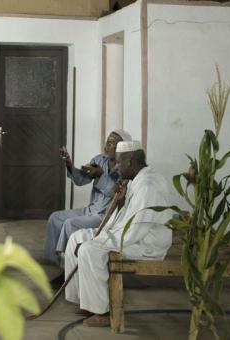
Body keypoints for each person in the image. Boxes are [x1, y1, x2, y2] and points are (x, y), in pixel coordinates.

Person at [64, 140, 172, 327]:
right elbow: (123, 217)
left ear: (130, 162)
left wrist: (100, 241)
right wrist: (119, 201)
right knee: (77, 238)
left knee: (89, 250)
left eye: (119, 163)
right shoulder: (135, 181)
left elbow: (134, 230)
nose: (116, 168)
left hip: (146, 245)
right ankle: (85, 300)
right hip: (130, 235)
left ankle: (102, 311)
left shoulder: (148, 186)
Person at [44, 129, 131, 263]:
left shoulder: (125, 167)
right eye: (107, 141)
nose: (107, 145)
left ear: (121, 148)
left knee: (70, 224)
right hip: (90, 210)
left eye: (112, 143)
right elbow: (80, 180)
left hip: (105, 216)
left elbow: (116, 193)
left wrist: (100, 175)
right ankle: (52, 259)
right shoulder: (99, 159)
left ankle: (68, 262)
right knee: (55, 217)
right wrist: (68, 164)